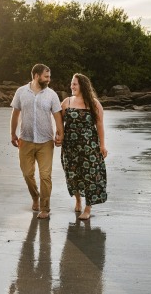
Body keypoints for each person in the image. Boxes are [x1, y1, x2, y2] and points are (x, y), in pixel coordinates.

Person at [10, 64, 64, 219]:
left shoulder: (52, 95)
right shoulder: (21, 92)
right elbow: (15, 114)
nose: (49, 79)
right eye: (46, 76)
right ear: (36, 76)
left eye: (49, 76)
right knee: (27, 174)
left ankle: (45, 208)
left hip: (46, 142)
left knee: (45, 175)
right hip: (25, 140)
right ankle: (35, 197)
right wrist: (12, 134)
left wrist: (61, 135)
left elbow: (58, 117)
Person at [60, 73, 108, 220]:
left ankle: (88, 208)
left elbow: (99, 125)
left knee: (90, 175)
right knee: (72, 175)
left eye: (75, 84)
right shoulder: (66, 102)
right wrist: (58, 136)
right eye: (71, 83)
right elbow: (59, 123)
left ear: (83, 86)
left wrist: (102, 145)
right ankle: (78, 200)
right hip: (70, 146)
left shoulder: (93, 103)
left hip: (89, 146)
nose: (72, 86)